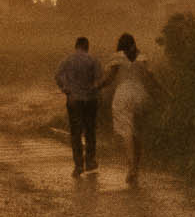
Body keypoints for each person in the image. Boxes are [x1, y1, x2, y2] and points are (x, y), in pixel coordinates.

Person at [97, 32, 160, 184]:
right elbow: (151, 78)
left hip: (123, 96)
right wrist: (163, 91)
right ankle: (136, 167)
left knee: (127, 132)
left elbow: (109, 79)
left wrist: (96, 87)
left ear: (120, 45)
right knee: (138, 132)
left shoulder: (117, 58)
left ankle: (131, 167)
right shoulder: (142, 58)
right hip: (140, 95)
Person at [53, 35, 101, 176]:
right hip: (90, 99)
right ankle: (90, 161)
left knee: (75, 132)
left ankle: (78, 165)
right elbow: (99, 79)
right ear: (87, 46)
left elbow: (57, 75)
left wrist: (64, 88)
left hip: (73, 100)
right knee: (90, 130)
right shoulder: (93, 60)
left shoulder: (67, 60)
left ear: (76, 46)